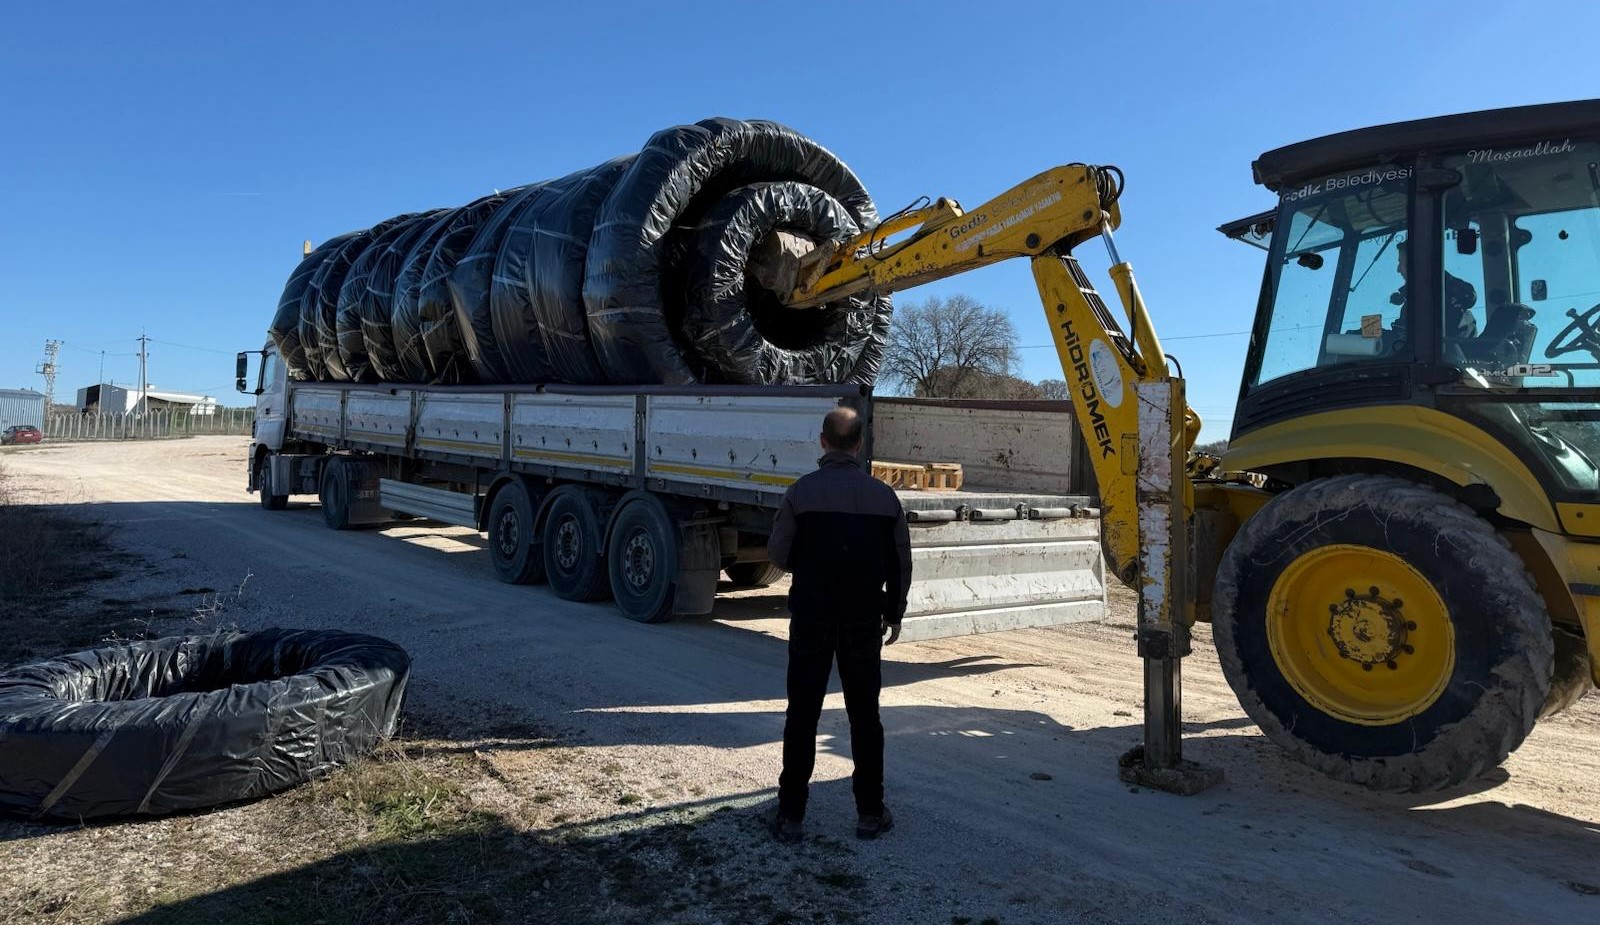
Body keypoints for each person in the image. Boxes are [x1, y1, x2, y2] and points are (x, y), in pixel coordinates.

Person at [764, 406, 912, 843]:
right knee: (865, 717)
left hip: (811, 615)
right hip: (863, 619)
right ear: (860, 445)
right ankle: (870, 813)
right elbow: (900, 564)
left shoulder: (800, 493)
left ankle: (790, 816)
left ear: (823, 441)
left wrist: (811, 568)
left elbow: (777, 553)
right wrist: (894, 611)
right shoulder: (885, 498)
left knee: (803, 714)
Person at [1393, 239, 1479, 339]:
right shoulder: (1421, 298)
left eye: (1401, 262)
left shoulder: (1441, 302)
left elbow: (1416, 343)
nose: (1398, 269)